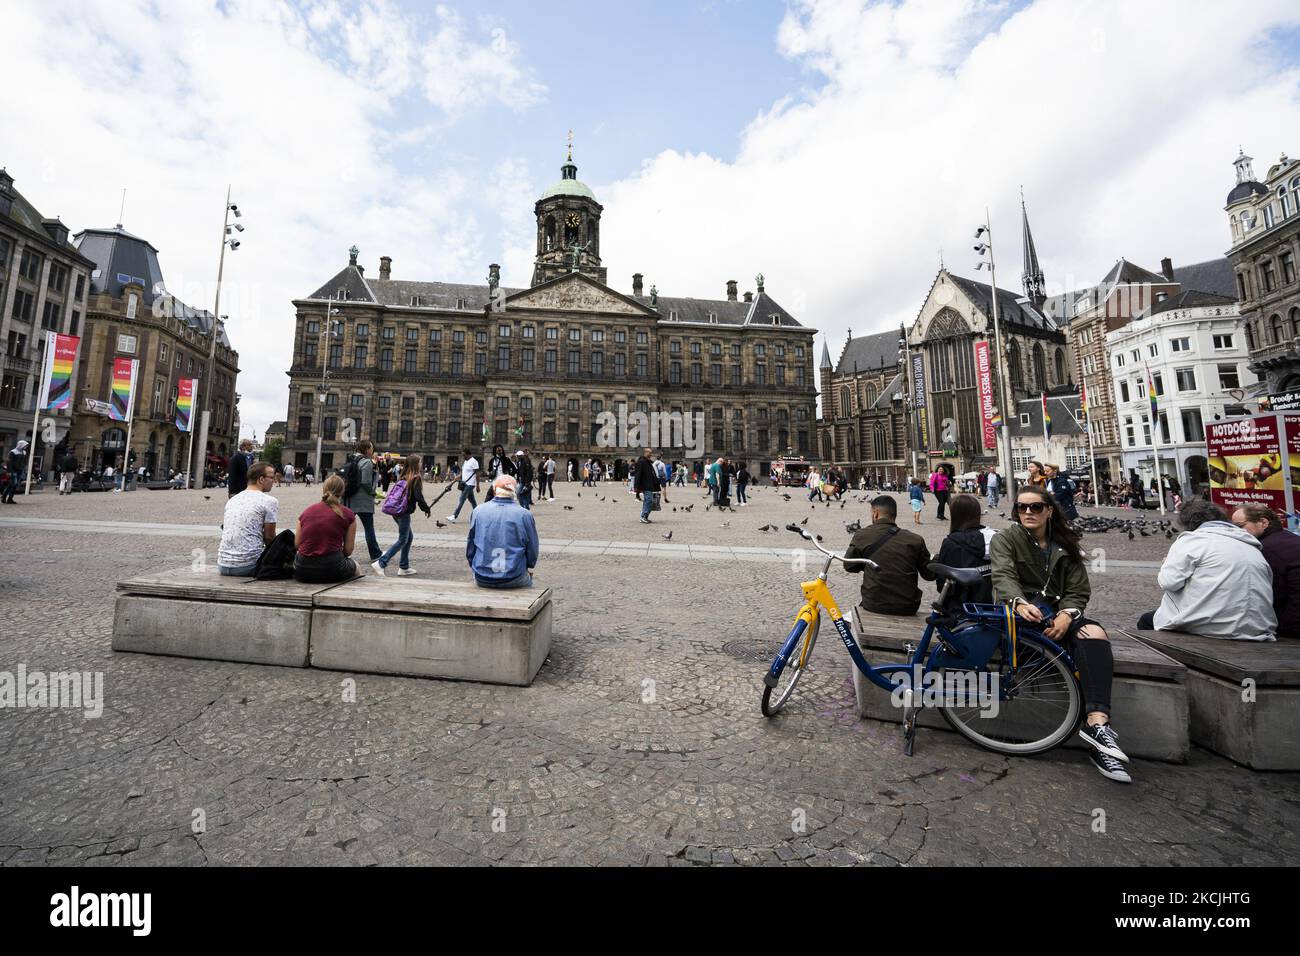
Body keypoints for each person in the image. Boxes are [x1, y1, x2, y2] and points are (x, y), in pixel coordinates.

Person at [991, 486, 1131, 783]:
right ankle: (1097, 736)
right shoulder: (1006, 540)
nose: (1028, 512)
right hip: (1023, 617)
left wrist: (1068, 615)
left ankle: (1097, 725)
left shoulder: (1066, 545)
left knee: (1093, 633)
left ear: (1050, 510)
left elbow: (1078, 590)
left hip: (1059, 616)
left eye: (1036, 507)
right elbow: (1003, 576)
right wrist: (1019, 602)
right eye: (1022, 507)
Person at [1136, 499, 1276, 641]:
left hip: (1213, 627)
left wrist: (1167, 564)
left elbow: (1169, 583)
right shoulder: (1250, 544)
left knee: (1146, 621)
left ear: (1187, 523)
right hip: (1257, 627)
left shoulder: (1192, 540)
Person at [844, 495, 936, 616]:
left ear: (875, 513)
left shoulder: (862, 535)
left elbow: (849, 566)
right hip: (908, 606)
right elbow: (929, 574)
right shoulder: (915, 540)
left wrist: (869, 564)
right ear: (894, 515)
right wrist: (938, 559)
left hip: (873, 604)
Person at [1232, 504, 1300, 640]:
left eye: (1240, 527)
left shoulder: (1264, 550)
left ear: (1263, 522)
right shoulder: (1291, 539)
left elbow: (1268, 596)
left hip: (1291, 628)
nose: (1235, 532)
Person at [466, 475, 539, 588]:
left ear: (494, 490)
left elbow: (471, 545)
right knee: (528, 581)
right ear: (514, 492)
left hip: (482, 576)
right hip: (513, 576)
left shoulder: (478, 511)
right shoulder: (525, 514)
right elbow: (532, 551)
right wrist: (528, 565)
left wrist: (474, 565)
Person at [293, 474, 364, 583]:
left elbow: (297, 545)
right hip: (333, 567)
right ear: (342, 491)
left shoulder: (306, 513)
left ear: (323, 489)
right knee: (357, 567)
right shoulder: (348, 515)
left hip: (302, 569)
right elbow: (348, 551)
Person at [932, 493, 996, 608]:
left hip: (962, 606)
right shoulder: (996, 538)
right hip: (992, 604)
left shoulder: (951, 543)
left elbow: (942, 584)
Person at [372, 454, 431, 576]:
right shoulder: (415, 478)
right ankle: (381, 563)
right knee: (403, 539)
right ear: (416, 464)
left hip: (396, 510)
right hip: (403, 512)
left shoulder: (403, 477)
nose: (420, 464)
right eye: (419, 462)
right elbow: (418, 497)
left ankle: (403, 567)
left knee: (409, 537)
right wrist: (426, 509)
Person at [217, 461, 278, 576]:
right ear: (261, 479)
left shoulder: (233, 500)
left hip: (223, 564)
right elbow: (269, 537)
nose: (274, 481)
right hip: (248, 565)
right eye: (271, 477)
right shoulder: (269, 501)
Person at [344, 440, 382, 563]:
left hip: (348, 499)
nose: (373, 450)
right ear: (366, 449)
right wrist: (373, 492)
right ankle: (375, 554)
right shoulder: (366, 462)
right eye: (371, 448)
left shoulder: (351, 460)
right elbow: (365, 482)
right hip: (363, 501)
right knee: (369, 528)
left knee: (343, 527)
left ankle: (338, 551)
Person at [447, 447, 480, 522]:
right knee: (473, 501)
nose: (463, 457)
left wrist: (478, 485)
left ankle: (454, 516)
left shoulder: (474, 461)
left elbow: (477, 474)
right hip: (464, 483)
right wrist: (454, 480)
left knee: (461, 499)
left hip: (470, 484)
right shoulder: (466, 461)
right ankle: (478, 514)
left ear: (468, 454)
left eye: (464, 455)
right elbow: (462, 473)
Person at [634, 446, 661, 524]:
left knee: (648, 500)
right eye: (649, 452)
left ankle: (644, 516)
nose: (651, 454)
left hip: (649, 484)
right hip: (645, 484)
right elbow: (638, 474)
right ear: (645, 453)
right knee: (649, 500)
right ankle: (643, 516)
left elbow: (652, 473)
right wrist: (637, 486)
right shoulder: (642, 461)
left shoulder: (648, 461)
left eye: (651, 452)